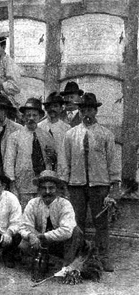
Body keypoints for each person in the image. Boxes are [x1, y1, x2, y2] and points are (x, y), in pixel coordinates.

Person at [58, 93, 121, 272]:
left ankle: (103, 257)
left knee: (101, 223)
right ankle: (78, 257)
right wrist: (64, 183)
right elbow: (65, 160)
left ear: (95, 111)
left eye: (90, 110)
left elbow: (112, 161)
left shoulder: (106, 134)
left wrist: (114, 186)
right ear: (79, 110)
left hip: (99, 185)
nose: (87, 113)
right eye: (83, 109)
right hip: (76, 185)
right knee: (77, 222)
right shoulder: (70, 135)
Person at [19, 170, 85, 277]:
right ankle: (43, 261)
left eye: (51, 188)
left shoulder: (64, 204)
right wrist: (30, 235)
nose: (47, 192)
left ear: (57, 189)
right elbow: (24, 226)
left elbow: (67, 231)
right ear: (39, 190)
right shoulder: (33, 203)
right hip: (39, 242)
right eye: (43, 188)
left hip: (60, 243)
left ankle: (66, 267)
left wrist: (43, 236)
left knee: (76, 231)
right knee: (23, 243)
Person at [5, 98, 55, 208]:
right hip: (23, 185)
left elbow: (53, 159)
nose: (31, 118)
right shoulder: (15, 137)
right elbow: (9, 162)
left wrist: (52, 156)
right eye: (28, 115)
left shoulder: (46, 136)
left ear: (40, 116)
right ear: (23, 117)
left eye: (34, 115)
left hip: (43, 185)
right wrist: (13, 185)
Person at [38, 92, 70, 171]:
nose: (52, 109)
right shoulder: (39, 127)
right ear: (45, 108)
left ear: (61, 108)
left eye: (55, 106)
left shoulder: (67, 129)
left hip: (61, 169)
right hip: (42, 169)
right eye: (49, 106)